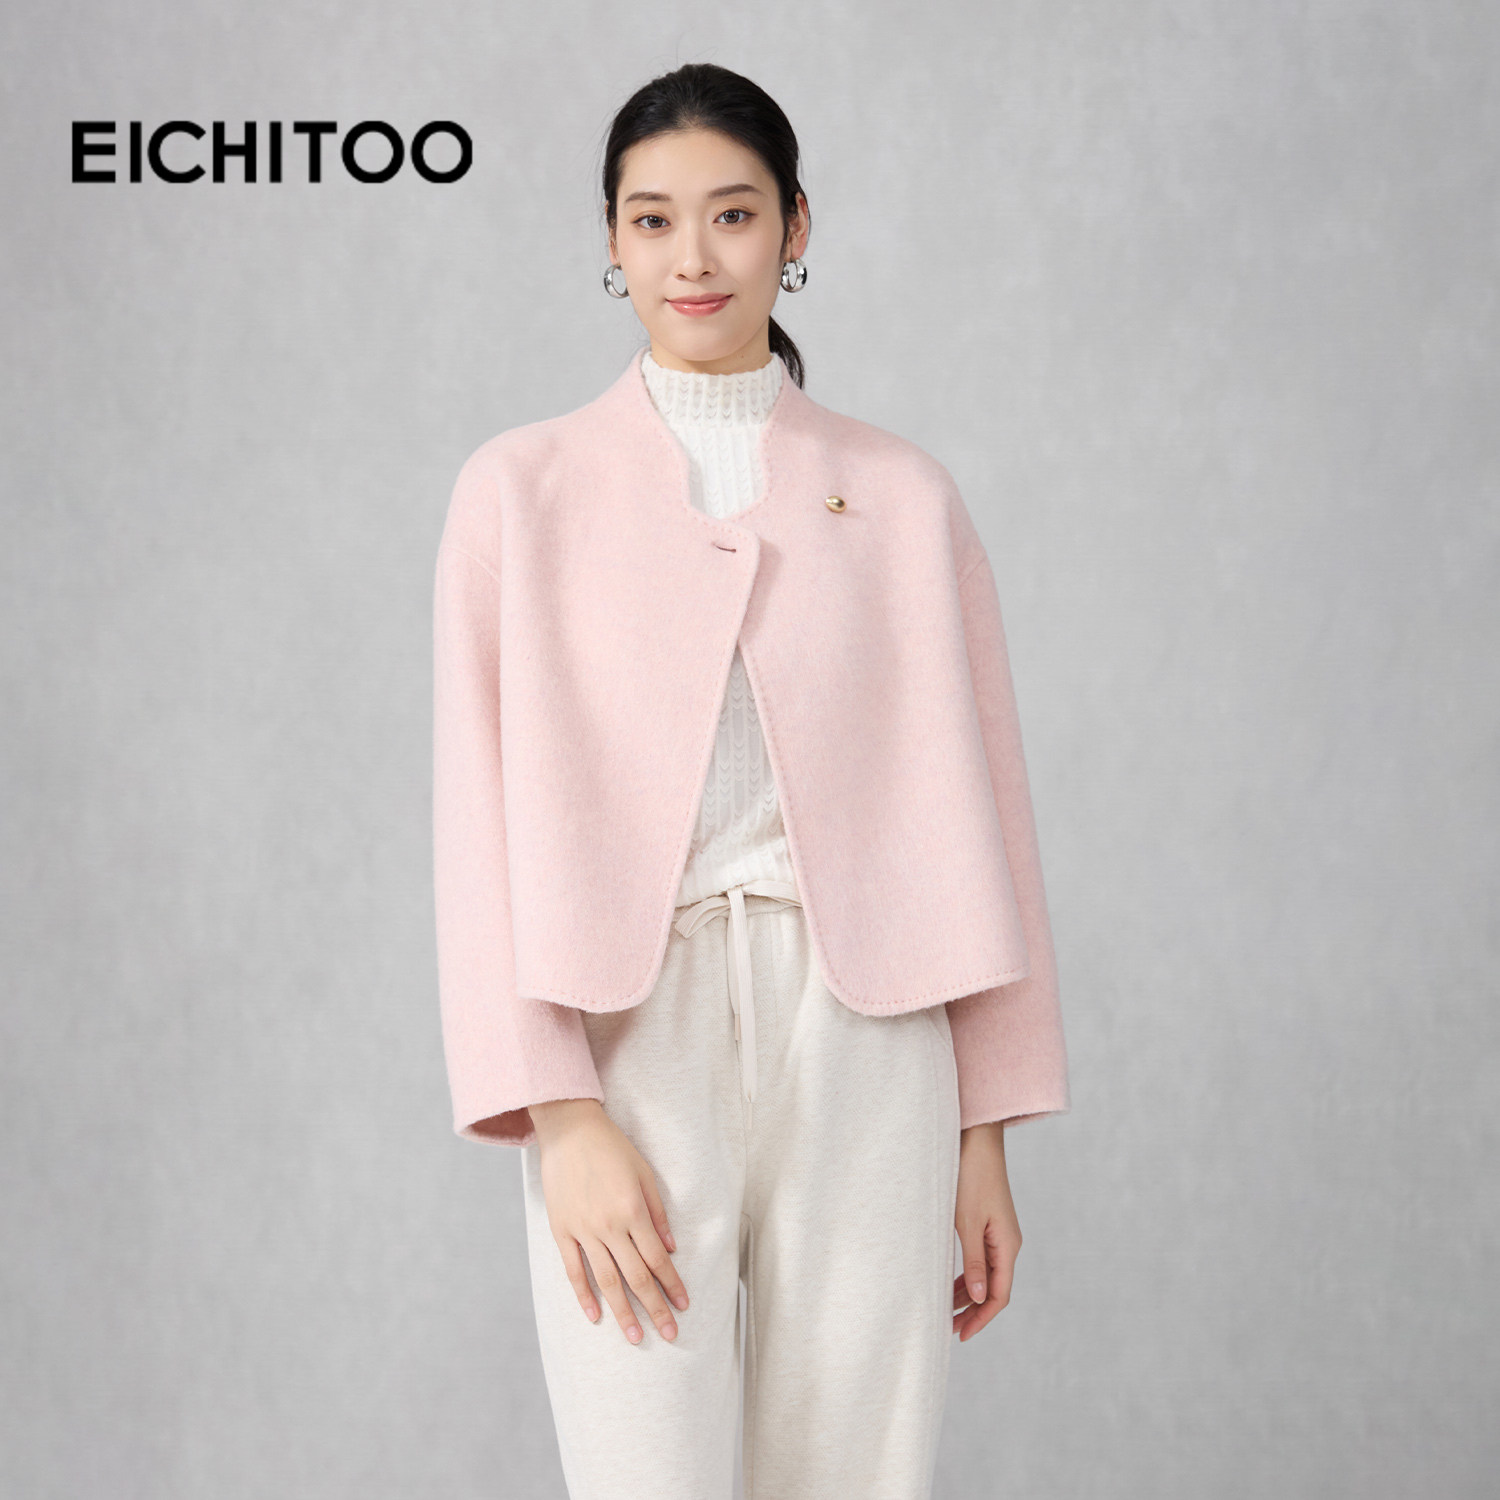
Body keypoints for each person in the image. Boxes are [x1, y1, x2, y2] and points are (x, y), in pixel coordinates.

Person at [431, 61, 1070, 1500]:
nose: (693, 257)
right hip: (628, 1040)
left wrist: (983, 1132)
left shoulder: (903, 496)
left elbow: (990, 820)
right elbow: (475, 835)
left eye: (732, 213)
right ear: (611, 240)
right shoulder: (518, 493)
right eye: (651, 219)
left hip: (871, 1040)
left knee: (856, 1474)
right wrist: (557, 1111)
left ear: (795, 226)